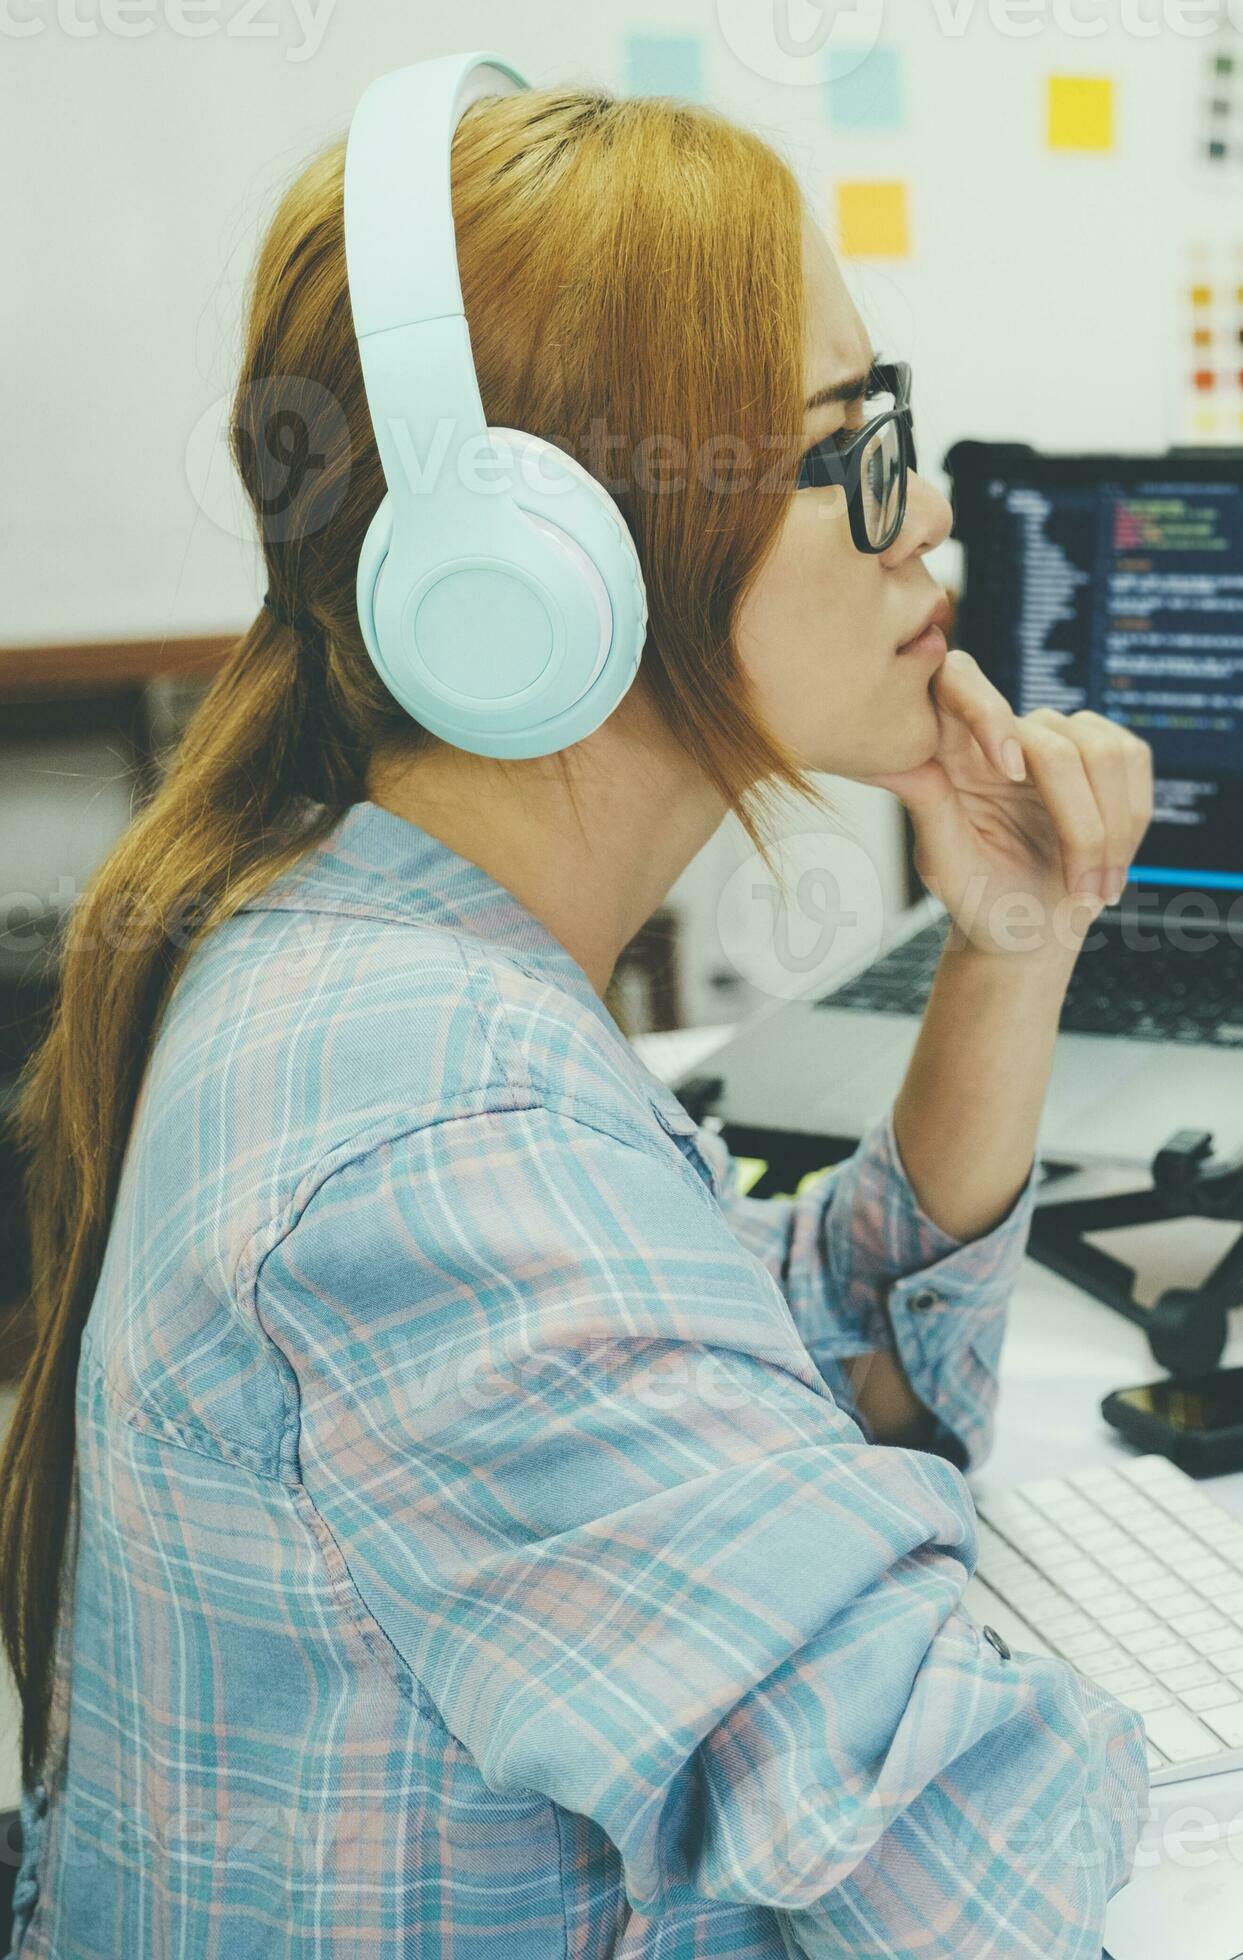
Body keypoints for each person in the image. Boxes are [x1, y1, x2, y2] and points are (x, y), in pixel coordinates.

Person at [0, 77, 1154, 1955]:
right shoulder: (438, 1141)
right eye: (854, 447)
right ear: (561, 563)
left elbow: (832, 1373)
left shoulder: (364, 937)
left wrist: (1011, 946)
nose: (928, 507)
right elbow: (971, 1888)